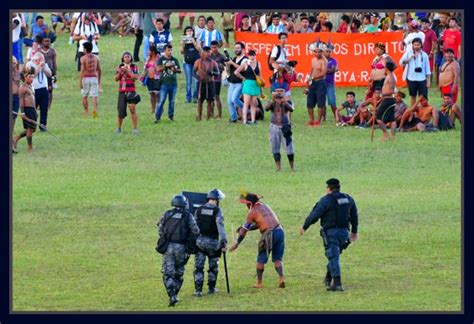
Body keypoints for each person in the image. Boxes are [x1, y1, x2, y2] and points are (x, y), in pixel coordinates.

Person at [300, 178, 358, 292]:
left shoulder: (326, 200)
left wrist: (304, 227)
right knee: (334, 256)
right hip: (344, 233)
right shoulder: (348, 198)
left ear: (329, 188)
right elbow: (354, 215)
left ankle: (337, 283)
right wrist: (354, 232)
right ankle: (329, 276)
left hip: (331, 233)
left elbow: (315, 214)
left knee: (333, 256)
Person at [229, 192, 286, 289]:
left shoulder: (252, 212)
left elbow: (244, 230)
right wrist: (246, 228)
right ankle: (282, 278)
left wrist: (237, 242)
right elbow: (261, 223)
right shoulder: (265, 206)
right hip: (280, 231)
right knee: (277, 259)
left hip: (268, 235)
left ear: (249, 203)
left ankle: (259, 283)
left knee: (261, 259)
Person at [157, 194, 200, 307]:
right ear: (184, 204)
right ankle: (175, 294)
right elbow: (196, 230)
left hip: (168, 247)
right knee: (179, 272)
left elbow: (160, 228)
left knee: (167, 273)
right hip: (181, 247)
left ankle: (171, 295)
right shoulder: (188, 216)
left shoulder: (167, 214)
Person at [193, 189, 227, 296]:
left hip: (200, 243)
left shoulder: (198, 209)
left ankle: (198, 291)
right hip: (213, 244)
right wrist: (223, 242)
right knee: (213, 267)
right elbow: (220, 226)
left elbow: (194, 226)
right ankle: (211, 288)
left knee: (199, 267)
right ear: (217, 200)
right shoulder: (217, 211)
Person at [265, 90, 295, 172]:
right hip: (274, 126)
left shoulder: (288, 102)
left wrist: (284, 101)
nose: (279, 95)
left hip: (285, 127)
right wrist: (272, 99)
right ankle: (278, 168)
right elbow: (266, 108)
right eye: (277, 93)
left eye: (281, 93)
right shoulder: (272, 102)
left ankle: (292, 168)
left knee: (289, 147)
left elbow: (291, 109)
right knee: (275, 148)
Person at [399, 38, 431, 106]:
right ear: (412, 45)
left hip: (422, 78)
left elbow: (427, 68)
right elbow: (401, 63)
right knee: (413, 96)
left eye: (418, 45)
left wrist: (428, 81)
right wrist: (409, 59)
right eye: (415, 45)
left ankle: (424, 113)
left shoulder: (424, 55)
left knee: (424, 98)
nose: (416, 46)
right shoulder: (408, 53)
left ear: (421, 45)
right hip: (411, 78)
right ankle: (413, 112)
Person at [234, 49, 263, 125]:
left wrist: (261, 86)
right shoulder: (245, 64)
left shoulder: (258, 63)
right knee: (246, 103)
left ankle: (253, 120)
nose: (252, 57)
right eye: (250, 55)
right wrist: (243, 78)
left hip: (255, 84)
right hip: (247, 84)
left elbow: (260, 75)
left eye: (253, 55)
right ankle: (244, 120)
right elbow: (236, 72)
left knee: (253, 103)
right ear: (248, 56)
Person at [114, 52, 140, 134]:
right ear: (122, 58)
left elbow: (136, 77)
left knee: (132, 109)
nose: (127, 58)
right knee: (120, 111)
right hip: (122, 91)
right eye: (125, 57)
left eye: (128, 56)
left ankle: (135, 129)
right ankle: (118, 128)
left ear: (131, 58)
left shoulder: (134, 66)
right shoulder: (120, 66)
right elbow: (116, 79)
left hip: (131, 91)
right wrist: (120, 72)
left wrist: (128, 71)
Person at [13, 67, 37, 152]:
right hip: (27, 110)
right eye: (29, 77)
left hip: (32, 109)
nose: (31, 78)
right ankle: (30, 147)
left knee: (32, 129)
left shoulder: (30, 86)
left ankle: (16, 138)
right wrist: (23, 113)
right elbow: (21, 101)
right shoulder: (22, 88)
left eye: (32, 77)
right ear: (25, 77)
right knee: (30, 129)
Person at [155, 45, 181, 123]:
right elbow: (158, 69)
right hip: (164, 84)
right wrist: (165, 66)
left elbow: (179, 70)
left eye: (171, 50)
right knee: (162, 101)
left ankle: (171, 117)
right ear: (164, 51)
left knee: (172, 101)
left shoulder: (175, 60)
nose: (170, 52)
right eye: (168, 50)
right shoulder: (161, 59)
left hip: (173, 84)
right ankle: (158, 117)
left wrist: (174, 69)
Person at [25, 52, 51, 130]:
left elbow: (49, 74)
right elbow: (33, 75)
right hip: (34, 89)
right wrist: (39, 65)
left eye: (42, 59)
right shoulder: (30, 64)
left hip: (43, 88)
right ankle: (31, 125)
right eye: (40, 59)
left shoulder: (44, 64)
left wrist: (44, 66)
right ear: (35, 59)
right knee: (33, 108)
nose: (42, 61)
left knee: (44, 108)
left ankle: (43, 125)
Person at [194, 46, 219, 121]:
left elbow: (217, 73)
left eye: (209, 52)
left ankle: (208, 117)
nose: (209, 53)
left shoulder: (213, 62)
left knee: (209, 100)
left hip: (210, 82)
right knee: (200, 100)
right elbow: (193, 72)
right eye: (207, 52)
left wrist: (211, 73)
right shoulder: (198, 61)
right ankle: (199, 116)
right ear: (203, 52)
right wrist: (198, 78)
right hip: (201, 83)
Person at [305, 42, 327, 127]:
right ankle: (311, 120)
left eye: (320, 51)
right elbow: (312, 70)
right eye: (316, 51)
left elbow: (323, 73)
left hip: (320, 83)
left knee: (320, 103)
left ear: (322, 52)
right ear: (313, 51)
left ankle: (318, 121)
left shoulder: (323, 61)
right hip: (312, 83)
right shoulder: (313, 60)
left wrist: (313, 78)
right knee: (309, 103)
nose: (318, 53)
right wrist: (309, 79)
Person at [375, 61, 398, 141]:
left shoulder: (391, 77)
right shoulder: (389, 76)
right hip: (387, 99)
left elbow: (392, 91)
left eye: (384, 67)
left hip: (389, 99)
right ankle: (392, 137)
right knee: (392, 119)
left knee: (378, 117)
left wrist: (381, 95)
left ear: (387, 68)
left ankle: (386, 135)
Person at [225, 42, 247, 123]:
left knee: (234, 99)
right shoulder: (233, 59)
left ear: (242, 49)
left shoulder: (245, 59)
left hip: (240, 83)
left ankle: (246, 109)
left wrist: (232, 63)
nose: (236, 50)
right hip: (232, 82)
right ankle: (233, 117)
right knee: (229, 101)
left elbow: (242, 68)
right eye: (235, 48)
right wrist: (227, 65)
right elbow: (228, 71)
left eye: (238, 48)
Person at [79, 42, 101, 118]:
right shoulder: (96, 58)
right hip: (94, 77)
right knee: (94, 96)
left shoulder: (83, 58)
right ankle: (95, 111)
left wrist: (80, 82)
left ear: (85, 49)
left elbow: (82, 70)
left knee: (84, 95)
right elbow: (99, 70)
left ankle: (86, 112)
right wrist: (99, 80)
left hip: (86, 77)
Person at [180, 26, 201, 104]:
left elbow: (200, 50)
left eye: (191, 31)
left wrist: (194, 42)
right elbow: (181, 52)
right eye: (187, 31)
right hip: (187, 62)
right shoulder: (184, 41)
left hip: (196, 62)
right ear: (185, 33)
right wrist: (182, 44)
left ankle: (195, 97)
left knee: (196, 80)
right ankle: (188, 98)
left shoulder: (196, 39)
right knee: (188, 80)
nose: (189, 32)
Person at [141, 45, 160, 114]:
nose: (148, 52)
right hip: (149, 78)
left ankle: (159, 108)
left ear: (153, 51)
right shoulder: (148, 59)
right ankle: (153, 109)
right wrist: (142, 76)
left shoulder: (158, 58)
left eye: (149, 51)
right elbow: (145, 68)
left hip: (156, 78)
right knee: (151, 93)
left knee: (157, 93)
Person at [210, 41, 227, 119]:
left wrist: (220, 66)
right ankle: (211, 113)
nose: (214, 49)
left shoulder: (221, 56)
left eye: (215, 47)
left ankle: (219, 115)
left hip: (217, 79)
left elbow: (227, 67)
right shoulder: (208, 56)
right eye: (212, 47)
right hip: (209, 79)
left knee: (217, 96)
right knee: (210, 97)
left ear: (218, 47)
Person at [39, 35, 57, 110]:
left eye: (48, 41)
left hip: (50, 72)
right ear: (42, 42)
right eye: (45, 41)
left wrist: (55, 74)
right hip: (41, 72)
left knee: (50, 89)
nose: (47, 43)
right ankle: (40, 105)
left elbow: (54, 62)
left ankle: (48, 105)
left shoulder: (52, 51)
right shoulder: (39, 51)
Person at [324, 44, 338, 120]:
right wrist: (330, 70)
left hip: (330, 83)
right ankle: (323, 117)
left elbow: (333, 70)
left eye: (330, 51)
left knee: (332, 101)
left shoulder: (333, 60)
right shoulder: (320, 60)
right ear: (323, 52)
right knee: (322, 102)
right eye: (327, 51)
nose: (328, 53)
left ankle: (336, 116)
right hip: (321, 83)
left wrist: (323, 70)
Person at [11, 56, 21, 153]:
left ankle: (12, 142)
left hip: (16, 99)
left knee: (13, 119)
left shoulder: (18, 73)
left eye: (15, 62)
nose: (14, 64)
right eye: (12, 62)